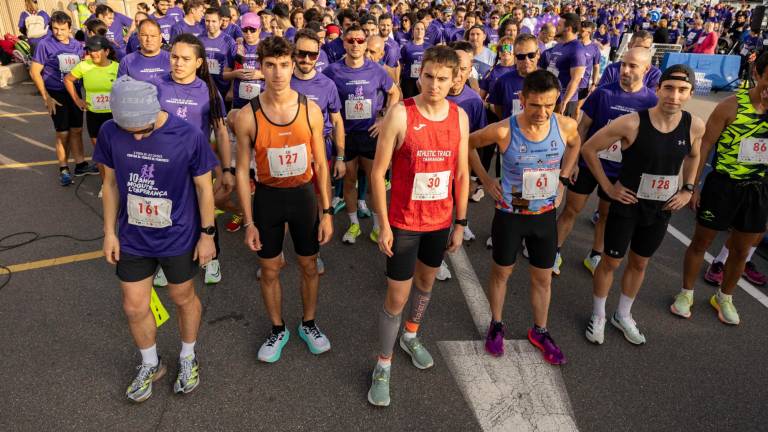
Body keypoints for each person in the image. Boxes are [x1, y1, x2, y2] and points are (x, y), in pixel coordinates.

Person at [96, 76, 218, 402]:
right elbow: (109, 185)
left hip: (177, 236)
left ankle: (188, 356)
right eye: (129, 130)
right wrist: (109, 232)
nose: (136, 135)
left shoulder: (187, 135)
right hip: (133, 236)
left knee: (182, 298)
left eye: (144, 130)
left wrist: (207, 235)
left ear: (157, 110)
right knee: (134, 307)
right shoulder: (110, 132)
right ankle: (151, 363)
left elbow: (205, 188)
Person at [367, 45, 469, 407]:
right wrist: (383, 224)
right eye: (428, 76)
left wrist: (460, 222)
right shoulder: (400, 114)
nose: (435, 85)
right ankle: (383, 362)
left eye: (443, 79)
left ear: (456, 79)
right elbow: (378, 174)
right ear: (419, 74)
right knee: (396, 297)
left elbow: (460, 172)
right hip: (405, 223)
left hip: (439, 222)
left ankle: (411, 335)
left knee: (426, 284)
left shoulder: (459, 117)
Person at [581, 65, 704, 345]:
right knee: (611, 261)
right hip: (628, 204)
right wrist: (609, 187)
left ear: (690, 94)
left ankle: (623, 314)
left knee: (640, 262)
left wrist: (687, 188)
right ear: (658, 89)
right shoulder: (632, 123)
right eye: (669, 88)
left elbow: (694, 156)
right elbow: (589, 148)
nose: (674, 95)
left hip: (661, 208)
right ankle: (599, 314)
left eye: (682, 90)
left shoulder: (694, 125)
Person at [233, 36, 334, 363]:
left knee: (308, 265)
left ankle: (308, 323)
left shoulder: (311, 111)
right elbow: (240, 172)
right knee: (270, 268)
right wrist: (248, 222)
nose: (277, 73)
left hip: (304, 198)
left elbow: (321, 164)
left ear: (294, 66)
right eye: (270, 65)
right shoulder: (248, 115)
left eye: (284, 65)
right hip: (268, 199)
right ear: (260, 68)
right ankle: (278, 329)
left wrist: (328, 211)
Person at [469, 70, 580, 364]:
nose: (542, 112)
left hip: (544, 217)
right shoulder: (504, 130)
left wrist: (564, 178)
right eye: (535, 105)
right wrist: (484, 179)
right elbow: (467, 144)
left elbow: (576, 144)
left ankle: (540, 331)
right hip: (510, 215)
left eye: (549, 105)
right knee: (502, 273)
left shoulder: (565, 125)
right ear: (522, 99)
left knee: (542, 278)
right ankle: (496, 324)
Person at [671, 53, 768, 325]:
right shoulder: (730, 106)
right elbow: (704, 146)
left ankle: (724, 297)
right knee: (701, 242)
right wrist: (693, 185)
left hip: (758, 190)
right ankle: (686, 293)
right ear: (758, 74)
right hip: (723, 185)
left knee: (741, 250)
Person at [553, 48, 658, 277]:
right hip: (590, 164)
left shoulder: (651, 101)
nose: (626, 70)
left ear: (646, 69)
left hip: (620, 171)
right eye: (623, 64)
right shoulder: (603, 93)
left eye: (633, 66)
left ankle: (595, 255)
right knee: (571, 209)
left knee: (605, 214)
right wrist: (571, 164)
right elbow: (582, 128)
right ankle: (555, 252)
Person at [152, 34, 234, 286]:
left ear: (198, 62)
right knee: (166, 213)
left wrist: (227, 169)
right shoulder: (156, 85)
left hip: (196, 165)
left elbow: (220, 131)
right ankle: (168, 262)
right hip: (163, 165)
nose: (178, 63)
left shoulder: (209, 91)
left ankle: (211, 259)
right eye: (174, 57)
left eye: (185, 59)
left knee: (203, 209)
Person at [323, 24, 400, 245]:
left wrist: (383, 118)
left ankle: (377, 226)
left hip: (370, 136)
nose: (355, 44)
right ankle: (354, 223)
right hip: (344, 137)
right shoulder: (332, 70)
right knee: (349, 182)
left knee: (376, 183)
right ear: (344, 43)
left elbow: (394, 93)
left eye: (359, 40)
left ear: (365, 44)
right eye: (350, 40)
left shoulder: (376, 69)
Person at [30, 11, 99, 187]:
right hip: (56, 94)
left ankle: (81, 164)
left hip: (74, 93)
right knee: (63, 133)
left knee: (76, 130)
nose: (58, 32)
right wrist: (47, 98)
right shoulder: (45, 45)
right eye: (55, 29)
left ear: (70, 28)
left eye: (62, 29)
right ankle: (63, 168)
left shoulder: (77, 45)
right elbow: (35, 72)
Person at [63, 35, 118, 181]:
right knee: (100, 153)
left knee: (117, 152)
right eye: (90, 50)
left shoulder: (118, 67)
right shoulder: (84, 66)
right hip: (95, 116)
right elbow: (68, 79)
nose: (93, 53)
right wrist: (77, 100)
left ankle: (120, 184)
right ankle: (105, 183)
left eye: (97, 50)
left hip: (115, 116)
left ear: (106, 51)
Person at [540, 13, 586, 119]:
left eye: (560, 25)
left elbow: (576, 79)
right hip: (551, 97)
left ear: (568, 28)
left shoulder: (577, 49)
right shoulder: (559, 45)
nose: (557, 27)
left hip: (566, 102)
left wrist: (565, 101)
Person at [199, 7, 237, 109]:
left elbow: (234, 68)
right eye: (207, 21)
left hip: (223, 90)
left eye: (214, 21)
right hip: (203, 89)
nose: (210, 24)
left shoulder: (229, 41)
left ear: (220, 22)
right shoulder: (199, 40)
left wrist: (231, 90)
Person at [399, 21, 430, 99]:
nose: (419, 31)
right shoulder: (406, 47)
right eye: (417, 29)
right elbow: (400, 65)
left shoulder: (430, 47)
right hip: (409, 82)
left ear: (425, 32)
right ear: (413, 31)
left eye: (422, 29)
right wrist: (398, 80)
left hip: (424, 81)